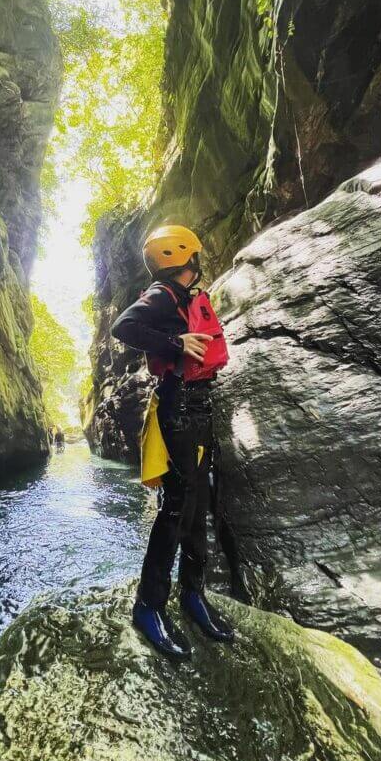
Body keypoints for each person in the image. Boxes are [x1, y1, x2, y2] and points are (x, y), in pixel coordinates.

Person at [111, 225, 234, 660]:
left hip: (198, 407)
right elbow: (123, 326)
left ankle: (192, 595)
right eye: (196, 256)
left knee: (199, 502)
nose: (199, 261)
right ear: (186, 259)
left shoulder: (183, 298)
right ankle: (148, 605)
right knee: (177, 507)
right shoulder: (163, 294)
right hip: (179, 409)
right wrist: (174, 342)